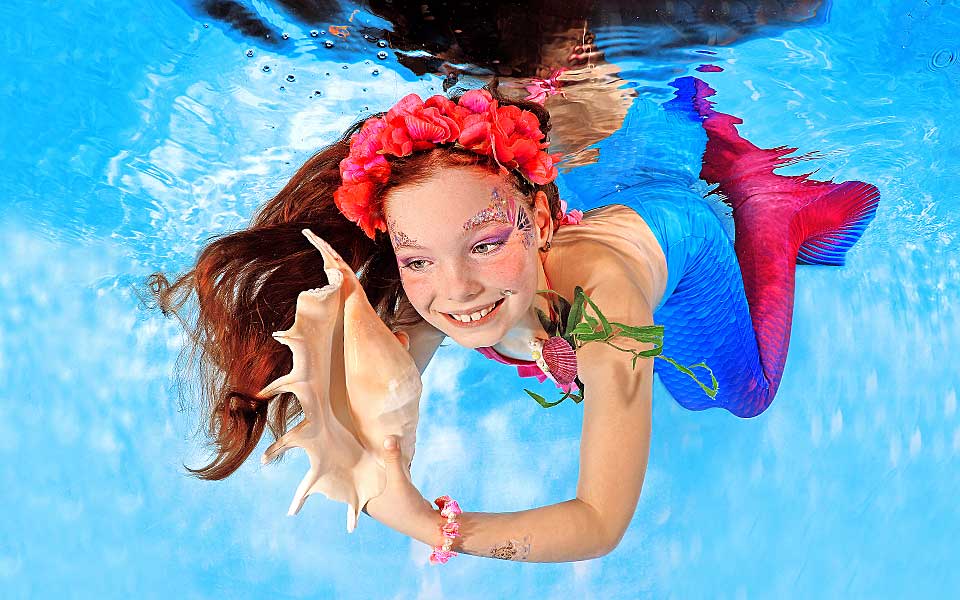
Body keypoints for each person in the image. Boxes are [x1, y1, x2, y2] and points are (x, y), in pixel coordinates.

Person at [151, 76, 879, 563]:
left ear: (537, 220)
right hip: (598, 179)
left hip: (676, 239)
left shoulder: (608, 310)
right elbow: (379, 400)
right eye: (419, 259)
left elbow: (599, 522)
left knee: (727, 394)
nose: (457, 291)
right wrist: (363, 450)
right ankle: (676, 115)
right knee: (637, 130)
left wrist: (442, 530)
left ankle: (765, 206)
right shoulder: (432, 281)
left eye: (486, 246)